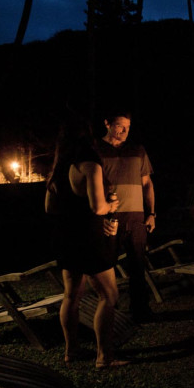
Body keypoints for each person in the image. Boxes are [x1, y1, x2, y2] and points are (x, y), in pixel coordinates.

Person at [45, 116, 128, 369]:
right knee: (109, 294)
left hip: (67, 237)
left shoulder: (58, 168)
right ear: (88, 137)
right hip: (90, 239)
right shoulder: (90, 165)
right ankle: (104, 357)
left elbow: (49, 208)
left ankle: (71, 351)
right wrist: (111, 205)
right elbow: (97, 206)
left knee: (71, 295)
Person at [96, 112, 156, 322]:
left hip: (136, 216)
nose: (124, 131)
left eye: (128, 127)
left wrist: (151, 213)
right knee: (106, 265)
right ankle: (109, 309)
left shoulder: (137, 150)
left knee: (138, 265)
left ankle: (140, 309)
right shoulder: (96, 150)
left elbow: (147, 184)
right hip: (109, 217)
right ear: (107, 123)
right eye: (120, 126)